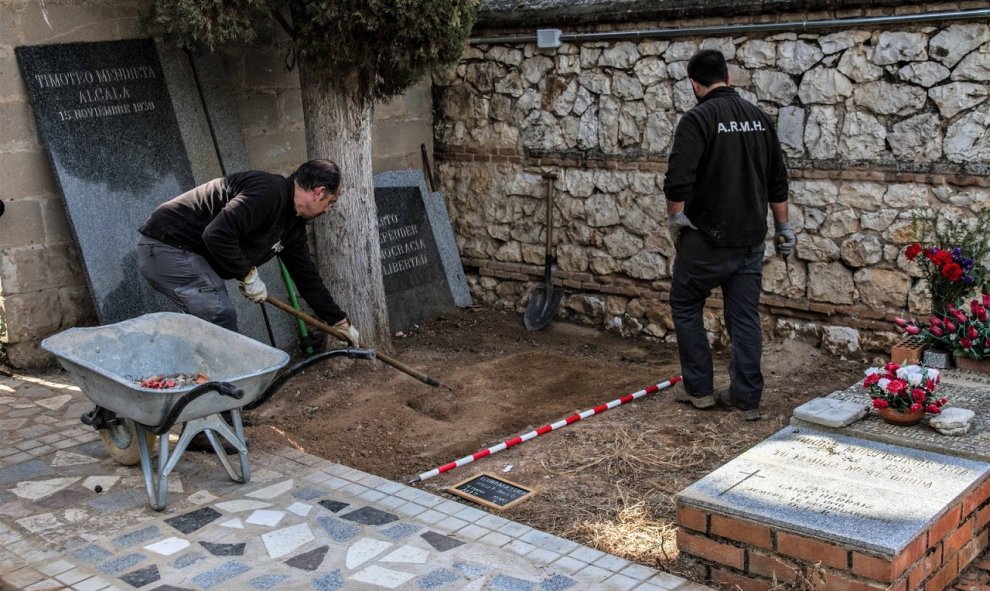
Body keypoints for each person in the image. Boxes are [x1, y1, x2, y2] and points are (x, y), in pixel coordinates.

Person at [663, 49, 794, 421]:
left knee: (687, 305)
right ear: (729, 77)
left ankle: (700, 391)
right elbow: (777, 181)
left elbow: (676, 182)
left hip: (706, 239)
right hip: (750, 238)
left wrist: (677, 221)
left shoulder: (697, 119)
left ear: (694, 84)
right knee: (744, 317)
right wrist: (784, 227)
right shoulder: (759, 118)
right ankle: (746, 397)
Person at [137, 159, 360, 346]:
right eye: (330, 202)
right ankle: (228, 391)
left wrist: (339, 321)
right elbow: (216, 234)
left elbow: (306, 276)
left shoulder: (293, 225)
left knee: (213, 320)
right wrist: (247, 275)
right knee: (219, 315)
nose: (328, 209)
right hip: (167, 246)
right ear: (319, 192)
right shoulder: (268, 192)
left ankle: (206, 385)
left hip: (188, 254)